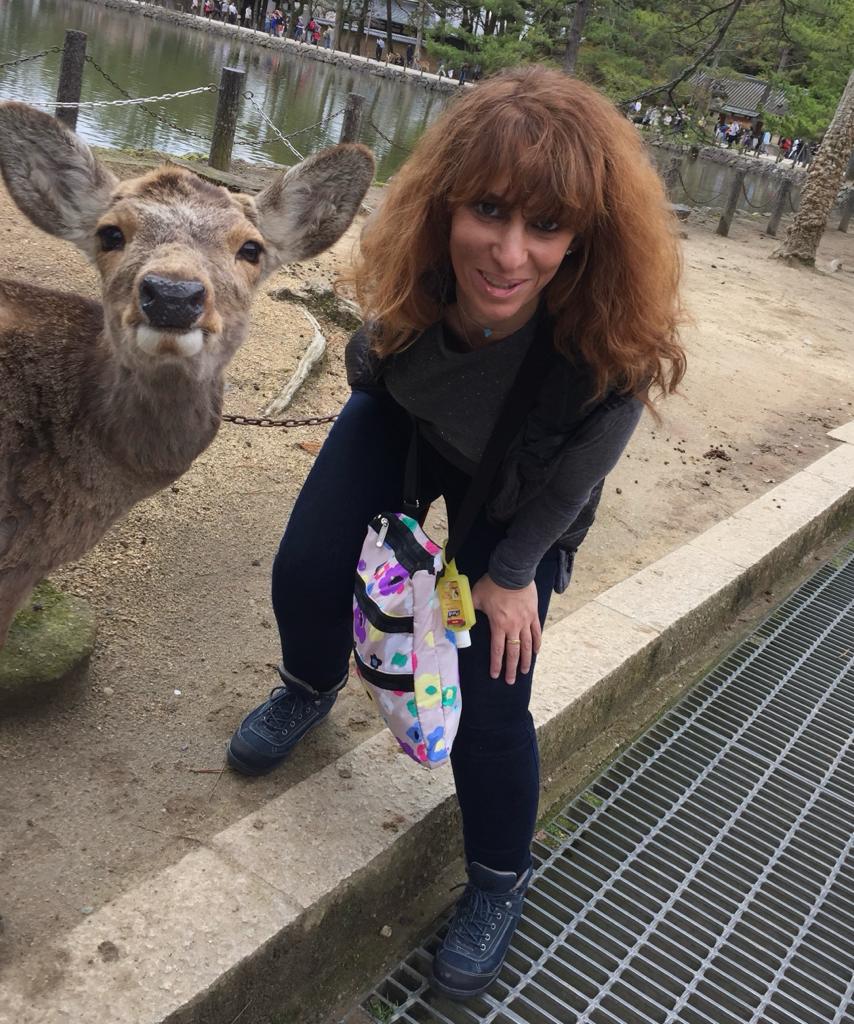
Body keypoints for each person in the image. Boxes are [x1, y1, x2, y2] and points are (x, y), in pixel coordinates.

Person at [227, 66, 685, 1002]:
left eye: (545, 227)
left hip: (523, 493)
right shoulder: (419, 267)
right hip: (407, 431)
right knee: (308, 568)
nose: (509, 254)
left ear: (582, 236)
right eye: (489, 211)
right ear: (446, 205)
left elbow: (578, 475)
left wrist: (514, 573)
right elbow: (374, 364)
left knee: (492, 691)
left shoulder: (606, 335)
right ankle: (308, 686)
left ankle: (499, 879)